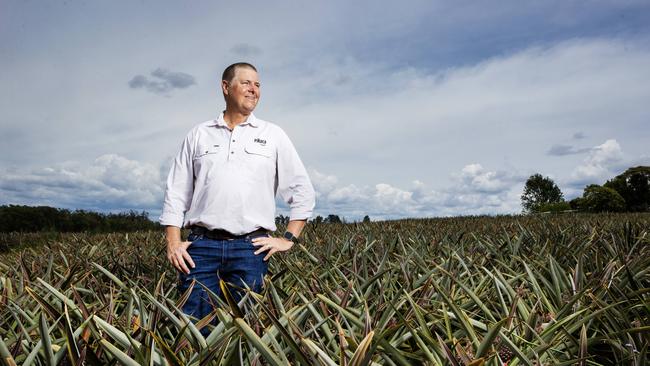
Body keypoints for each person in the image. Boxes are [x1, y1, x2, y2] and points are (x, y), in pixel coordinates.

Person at [159, 62, 315, 326]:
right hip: (201, 248)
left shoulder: (273, 134)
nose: (254, 90)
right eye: (246, 83)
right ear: (225, 87)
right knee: (195, 329)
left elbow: (302, 191)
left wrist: (289, 238)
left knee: (248, 331)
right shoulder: (199, 134)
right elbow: (176, 192)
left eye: (258, 85)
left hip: (251, 249)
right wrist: (173, 243)